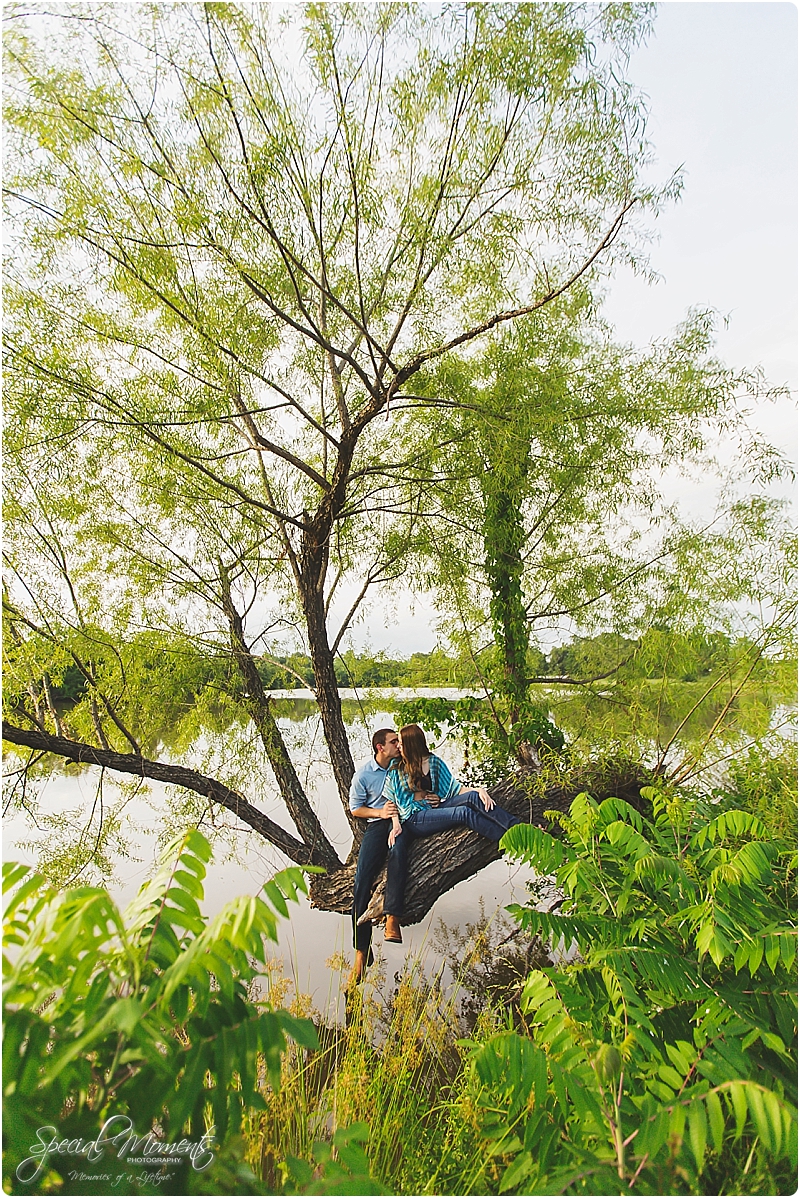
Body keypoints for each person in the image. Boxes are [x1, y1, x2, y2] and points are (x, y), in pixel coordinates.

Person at [384, 724, 521, 846]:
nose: (398, 746)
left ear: (411, 744)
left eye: (401, 743)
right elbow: (393, 799)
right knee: (464, 812)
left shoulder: (433, 762)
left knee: (473, 797)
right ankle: (509, 841)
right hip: (414, 817)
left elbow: (455, 789)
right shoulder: (397, 767)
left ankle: (520, 830)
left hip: (432, 808)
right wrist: (396, 823)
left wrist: (479, 790)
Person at [349, 728, 408, 986]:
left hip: (405, 820)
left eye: (399, 741)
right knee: (361, 882)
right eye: (394, 742)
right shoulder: (364, 774)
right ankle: (361, 952)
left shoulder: (403, 764)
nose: (398, 745)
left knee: (398, 855)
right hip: (378, 823)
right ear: (380, 747)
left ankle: (392, 919)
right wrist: (379, 813)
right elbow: (355, 809)